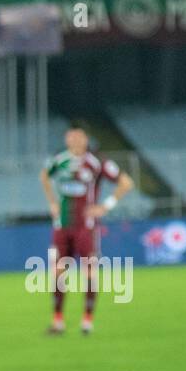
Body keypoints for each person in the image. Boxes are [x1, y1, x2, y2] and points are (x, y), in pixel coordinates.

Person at [40, 125, 132, 336]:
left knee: (89, 272)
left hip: (86, 227)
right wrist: (52, 203)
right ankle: (58, 320)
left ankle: (87, 320)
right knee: (58, 272)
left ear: (85, 138)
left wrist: (105, 206)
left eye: (79, 136)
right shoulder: (59, 160)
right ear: (66, 138)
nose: (75, 140)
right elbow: (44, 176)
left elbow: (126, 183)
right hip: (62, 225)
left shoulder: (96, 162)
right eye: (71, 136)